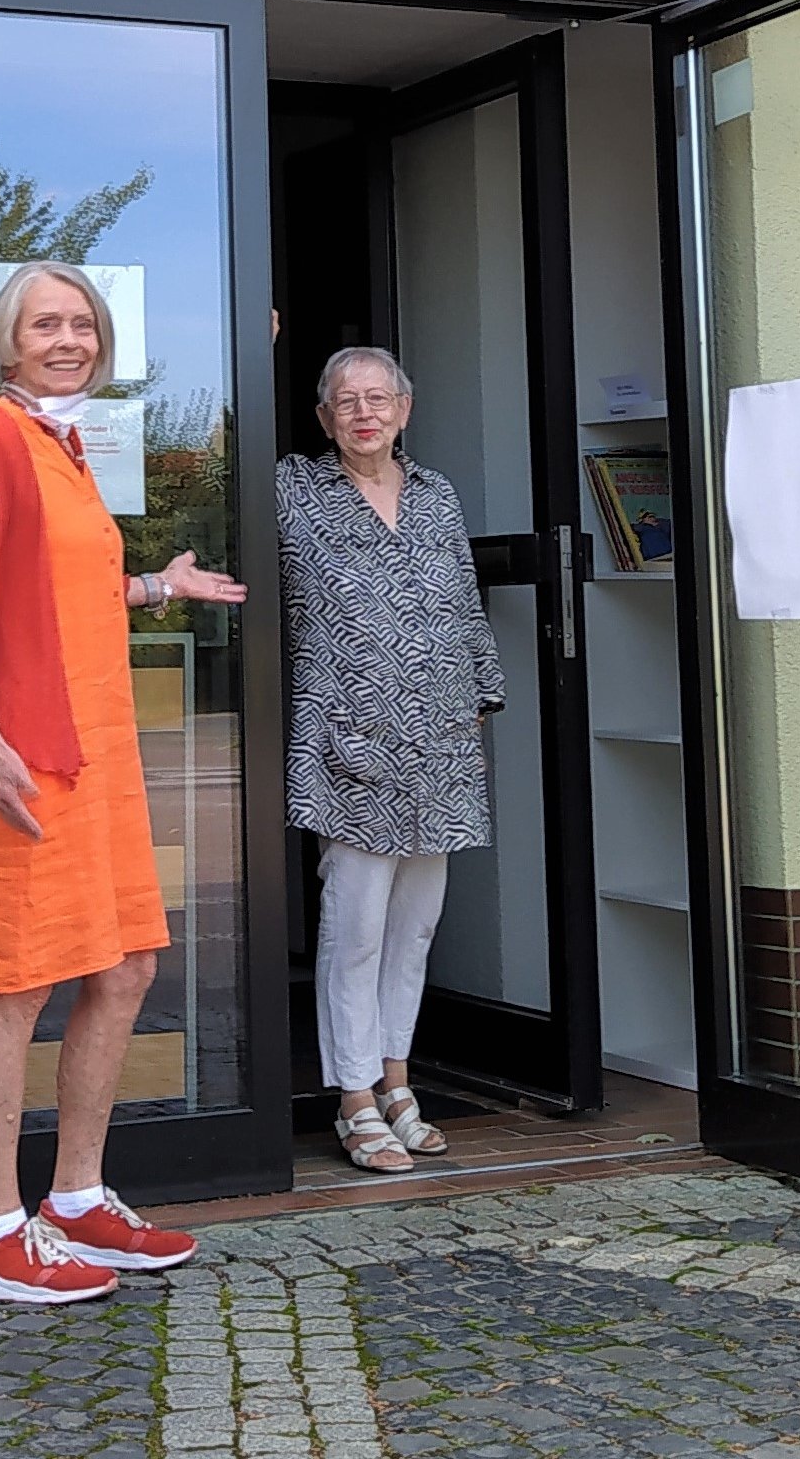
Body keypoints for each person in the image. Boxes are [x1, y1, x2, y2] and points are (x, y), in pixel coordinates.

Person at [0, 263, 246, 1303]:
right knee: (16, 986)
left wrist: (158, 583)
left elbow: (57, 587)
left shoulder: (62, 445)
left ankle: (76, 1198)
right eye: (46, 323)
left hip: (96, 754)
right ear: (7, 341)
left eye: (81, 323)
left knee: (124, 971)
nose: (68, 338)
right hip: (24, 755)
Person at [275, 346, 503, 1173]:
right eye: (346, 402)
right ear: (325, 418)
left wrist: (481, 699)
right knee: (357, 927)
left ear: (405, 409)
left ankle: (399, 1082)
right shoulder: (295, 488)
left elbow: (465, 605)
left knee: (416, 927)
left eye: (379, 399)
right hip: (349, 734)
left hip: (439, 737)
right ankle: (354, 1098)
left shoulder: (436, 494)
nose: (364, 413)